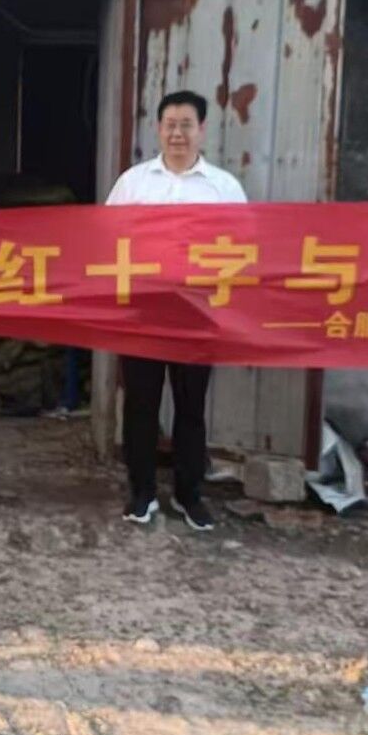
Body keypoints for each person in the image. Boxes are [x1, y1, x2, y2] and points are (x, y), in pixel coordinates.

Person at [104, 90, 246, 531]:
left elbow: (244, 247)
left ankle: (189, 495)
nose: (177, 133)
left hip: (197, 313)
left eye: (186, 125)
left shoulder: (224, 188)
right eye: (170, 124)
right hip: (142, 312)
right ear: (158, 129)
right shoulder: (134, 183)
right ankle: (142, 492)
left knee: (191, 407)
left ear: (202, 130)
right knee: (140, 406)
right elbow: (104, 237)